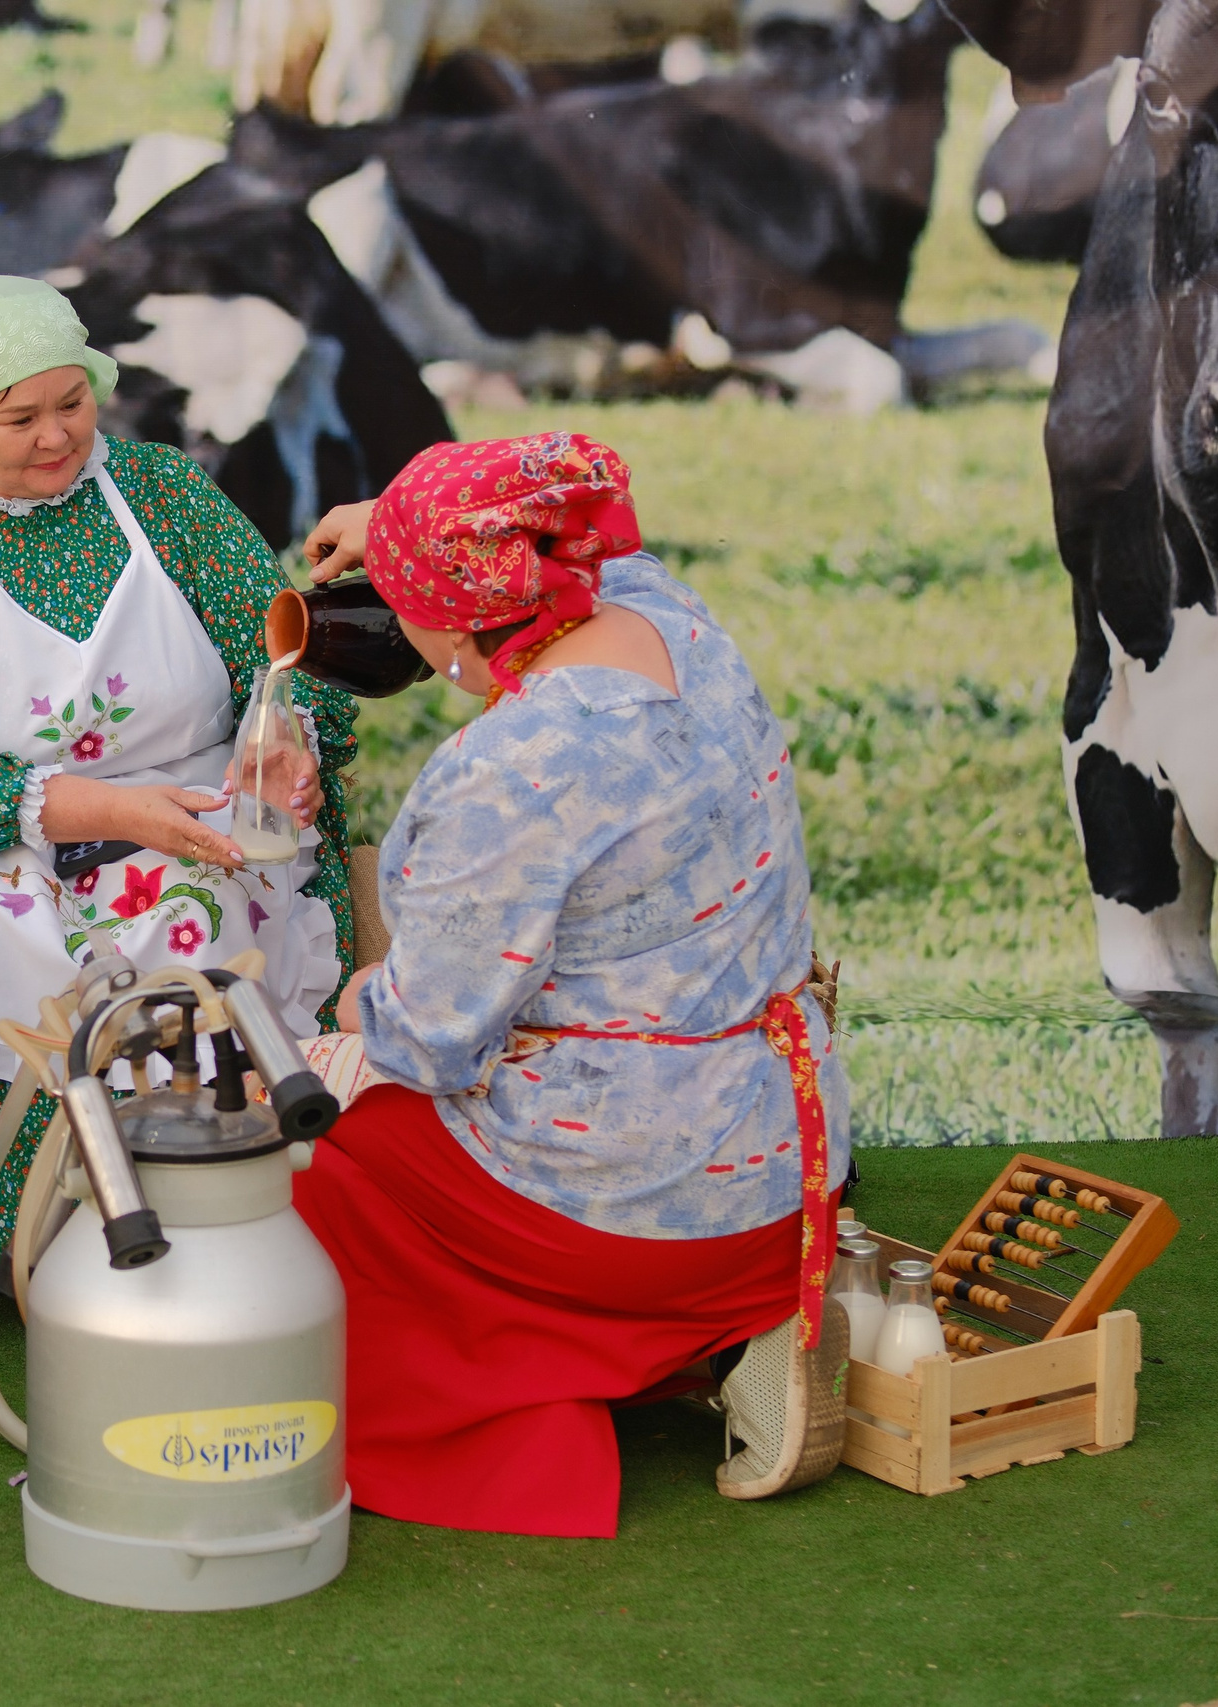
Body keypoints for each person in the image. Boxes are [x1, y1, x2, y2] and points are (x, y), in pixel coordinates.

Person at [287, 433, 851, 1537]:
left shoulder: (514, 772)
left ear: (455, 630)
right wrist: (394, 522)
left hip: (634, 1205)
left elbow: (429, 1039)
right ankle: (745, 1320)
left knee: (320, 1175)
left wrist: (359, 1002)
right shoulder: (667, 611)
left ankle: (542, 1399)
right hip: (791, 1157)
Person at [0, 275, 358, 1271]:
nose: (56, 435)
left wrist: (284, 737)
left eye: (72, 402)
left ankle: (231, 1213)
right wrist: (108, 812)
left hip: (196, 793)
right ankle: (50, 1241)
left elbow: (280, 649)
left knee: (202, 899)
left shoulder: (163, 495)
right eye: (19, 418)